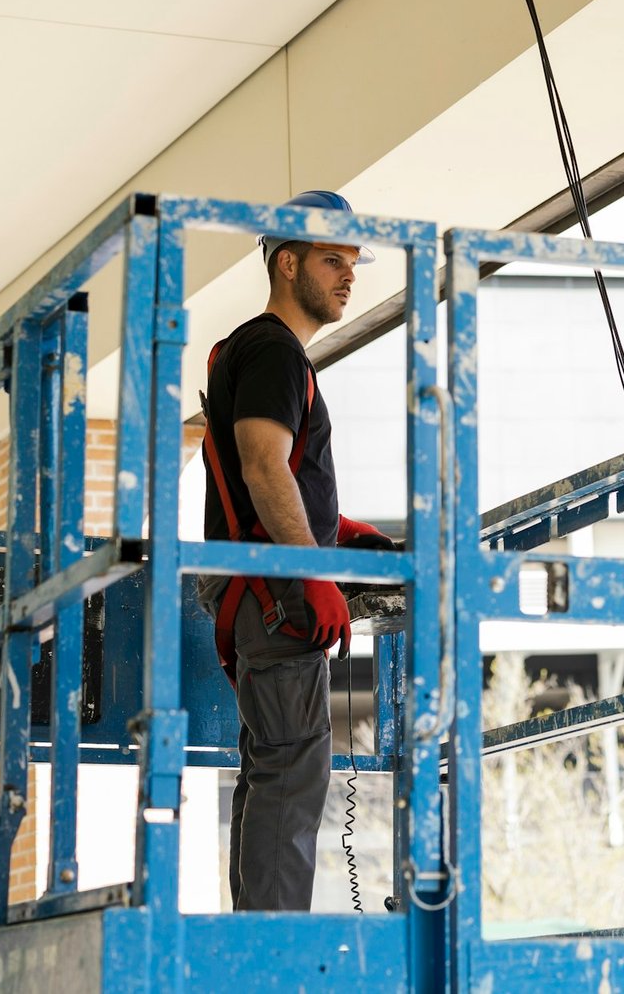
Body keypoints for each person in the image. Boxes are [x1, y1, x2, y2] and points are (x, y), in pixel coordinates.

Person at [198, 190, 394, 911]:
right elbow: (261, 465)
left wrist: (337, 530)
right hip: (276, 594)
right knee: (290, 772)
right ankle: (272, 960)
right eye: (332, 259)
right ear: (288, 263)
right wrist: (311, 571)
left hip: (261, 584)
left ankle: (257, 944)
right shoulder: (277, 352)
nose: (349, 275)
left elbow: (267, 479)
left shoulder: (253, 351)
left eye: (352, 262)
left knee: (271, 768)